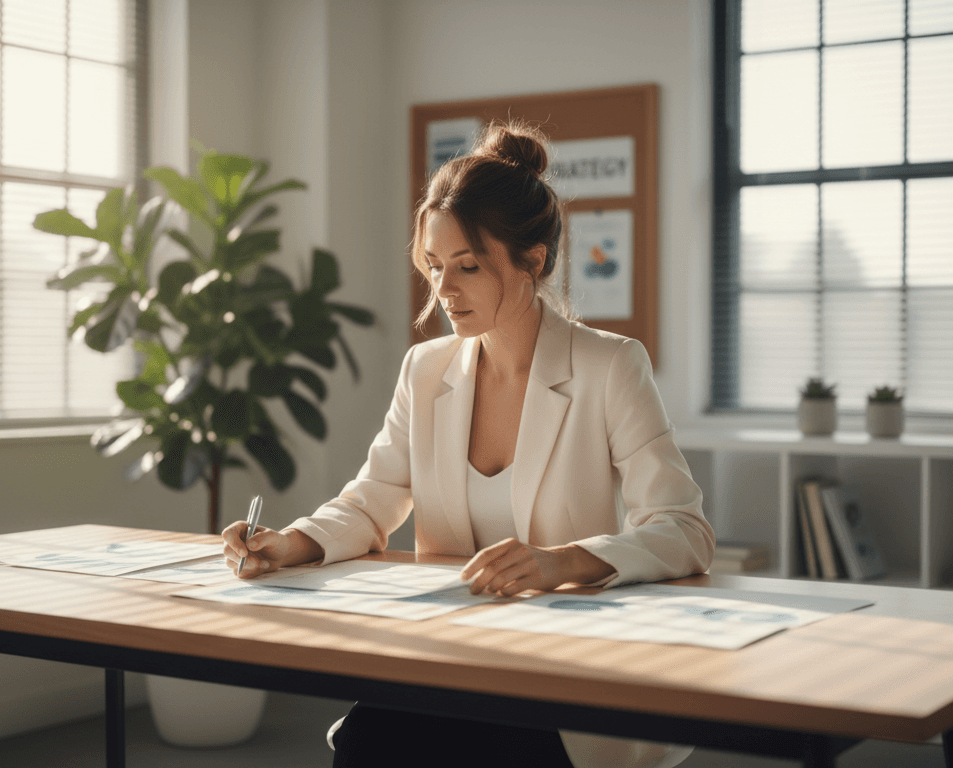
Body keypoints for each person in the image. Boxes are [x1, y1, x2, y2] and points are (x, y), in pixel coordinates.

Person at [222, 121, 715, 768]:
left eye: (468, 267)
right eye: (433, 267)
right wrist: (291, 543)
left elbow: (683, 530)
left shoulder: (610, 366)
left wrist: (558, 563)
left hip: (556, 668)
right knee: (368, 746)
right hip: (448, 655)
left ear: (533, 262)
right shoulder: (425, 370)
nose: (443, 291)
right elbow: (372, 500)